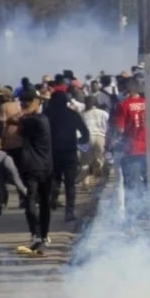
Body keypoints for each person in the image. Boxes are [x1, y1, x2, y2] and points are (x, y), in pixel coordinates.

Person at [9, 88, 54, 255]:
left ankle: (36, 235)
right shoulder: (44, 119)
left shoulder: (30, 121)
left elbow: (12, 121)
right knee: (44, 203)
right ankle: (43, 236)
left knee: (31, 200)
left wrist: (24, 111)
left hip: (31, 166)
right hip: (46, 166)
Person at [45, 91, 90, 221]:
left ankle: (52, 200)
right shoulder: (72, 114)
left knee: (55, 180)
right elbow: (85, 134)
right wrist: (78, 142)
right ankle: (69, 212)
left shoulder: (46, 114)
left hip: (52, 153)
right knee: (70, 184)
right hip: (70, 152)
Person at [112, 77, 148, 227]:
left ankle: (131, 223)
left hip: (131, 151)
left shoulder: (123, 105)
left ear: (128, 89)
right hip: (149, 150)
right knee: (149, 185)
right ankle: (149, 217)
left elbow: (120, 130)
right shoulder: (148, 103)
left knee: (131, 188)